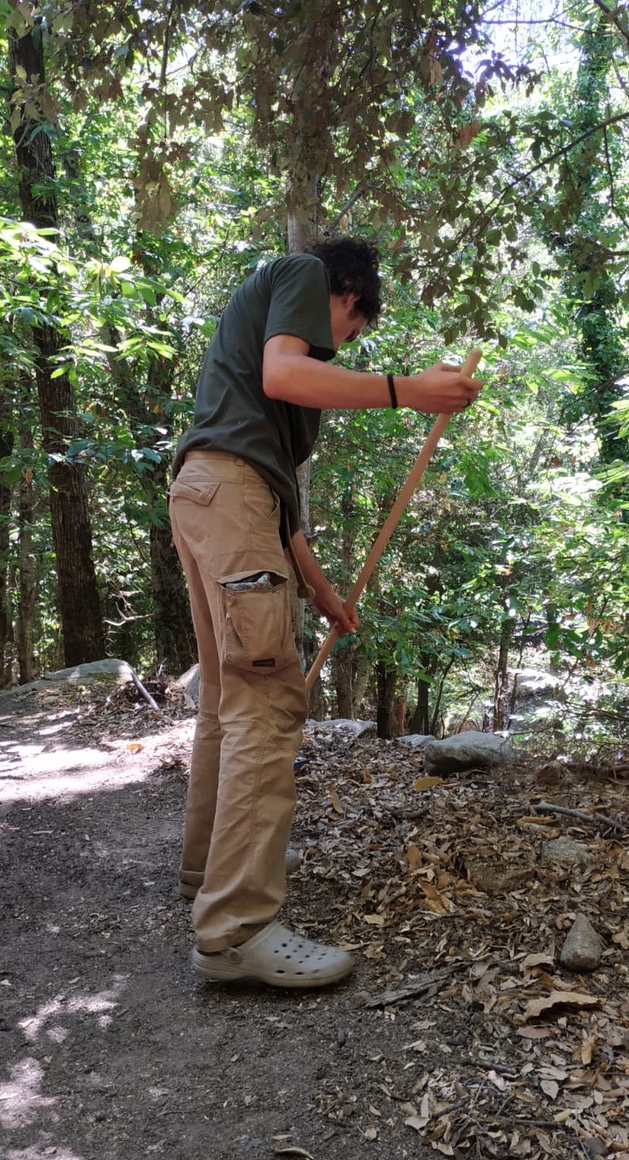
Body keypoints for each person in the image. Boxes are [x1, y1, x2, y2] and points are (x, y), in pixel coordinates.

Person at [169, 237, 482, 989]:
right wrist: (408, 390)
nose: (343, 344)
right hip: (229, 497)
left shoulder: (258, 385)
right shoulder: (303, 277)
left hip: (211, 495)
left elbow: (274, 502)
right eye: (353, 328)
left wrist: (319, 590)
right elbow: (286, 374)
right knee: (267, 703)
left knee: (227, 697)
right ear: (347, 295)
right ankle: (235, 928)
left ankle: (210, 871)